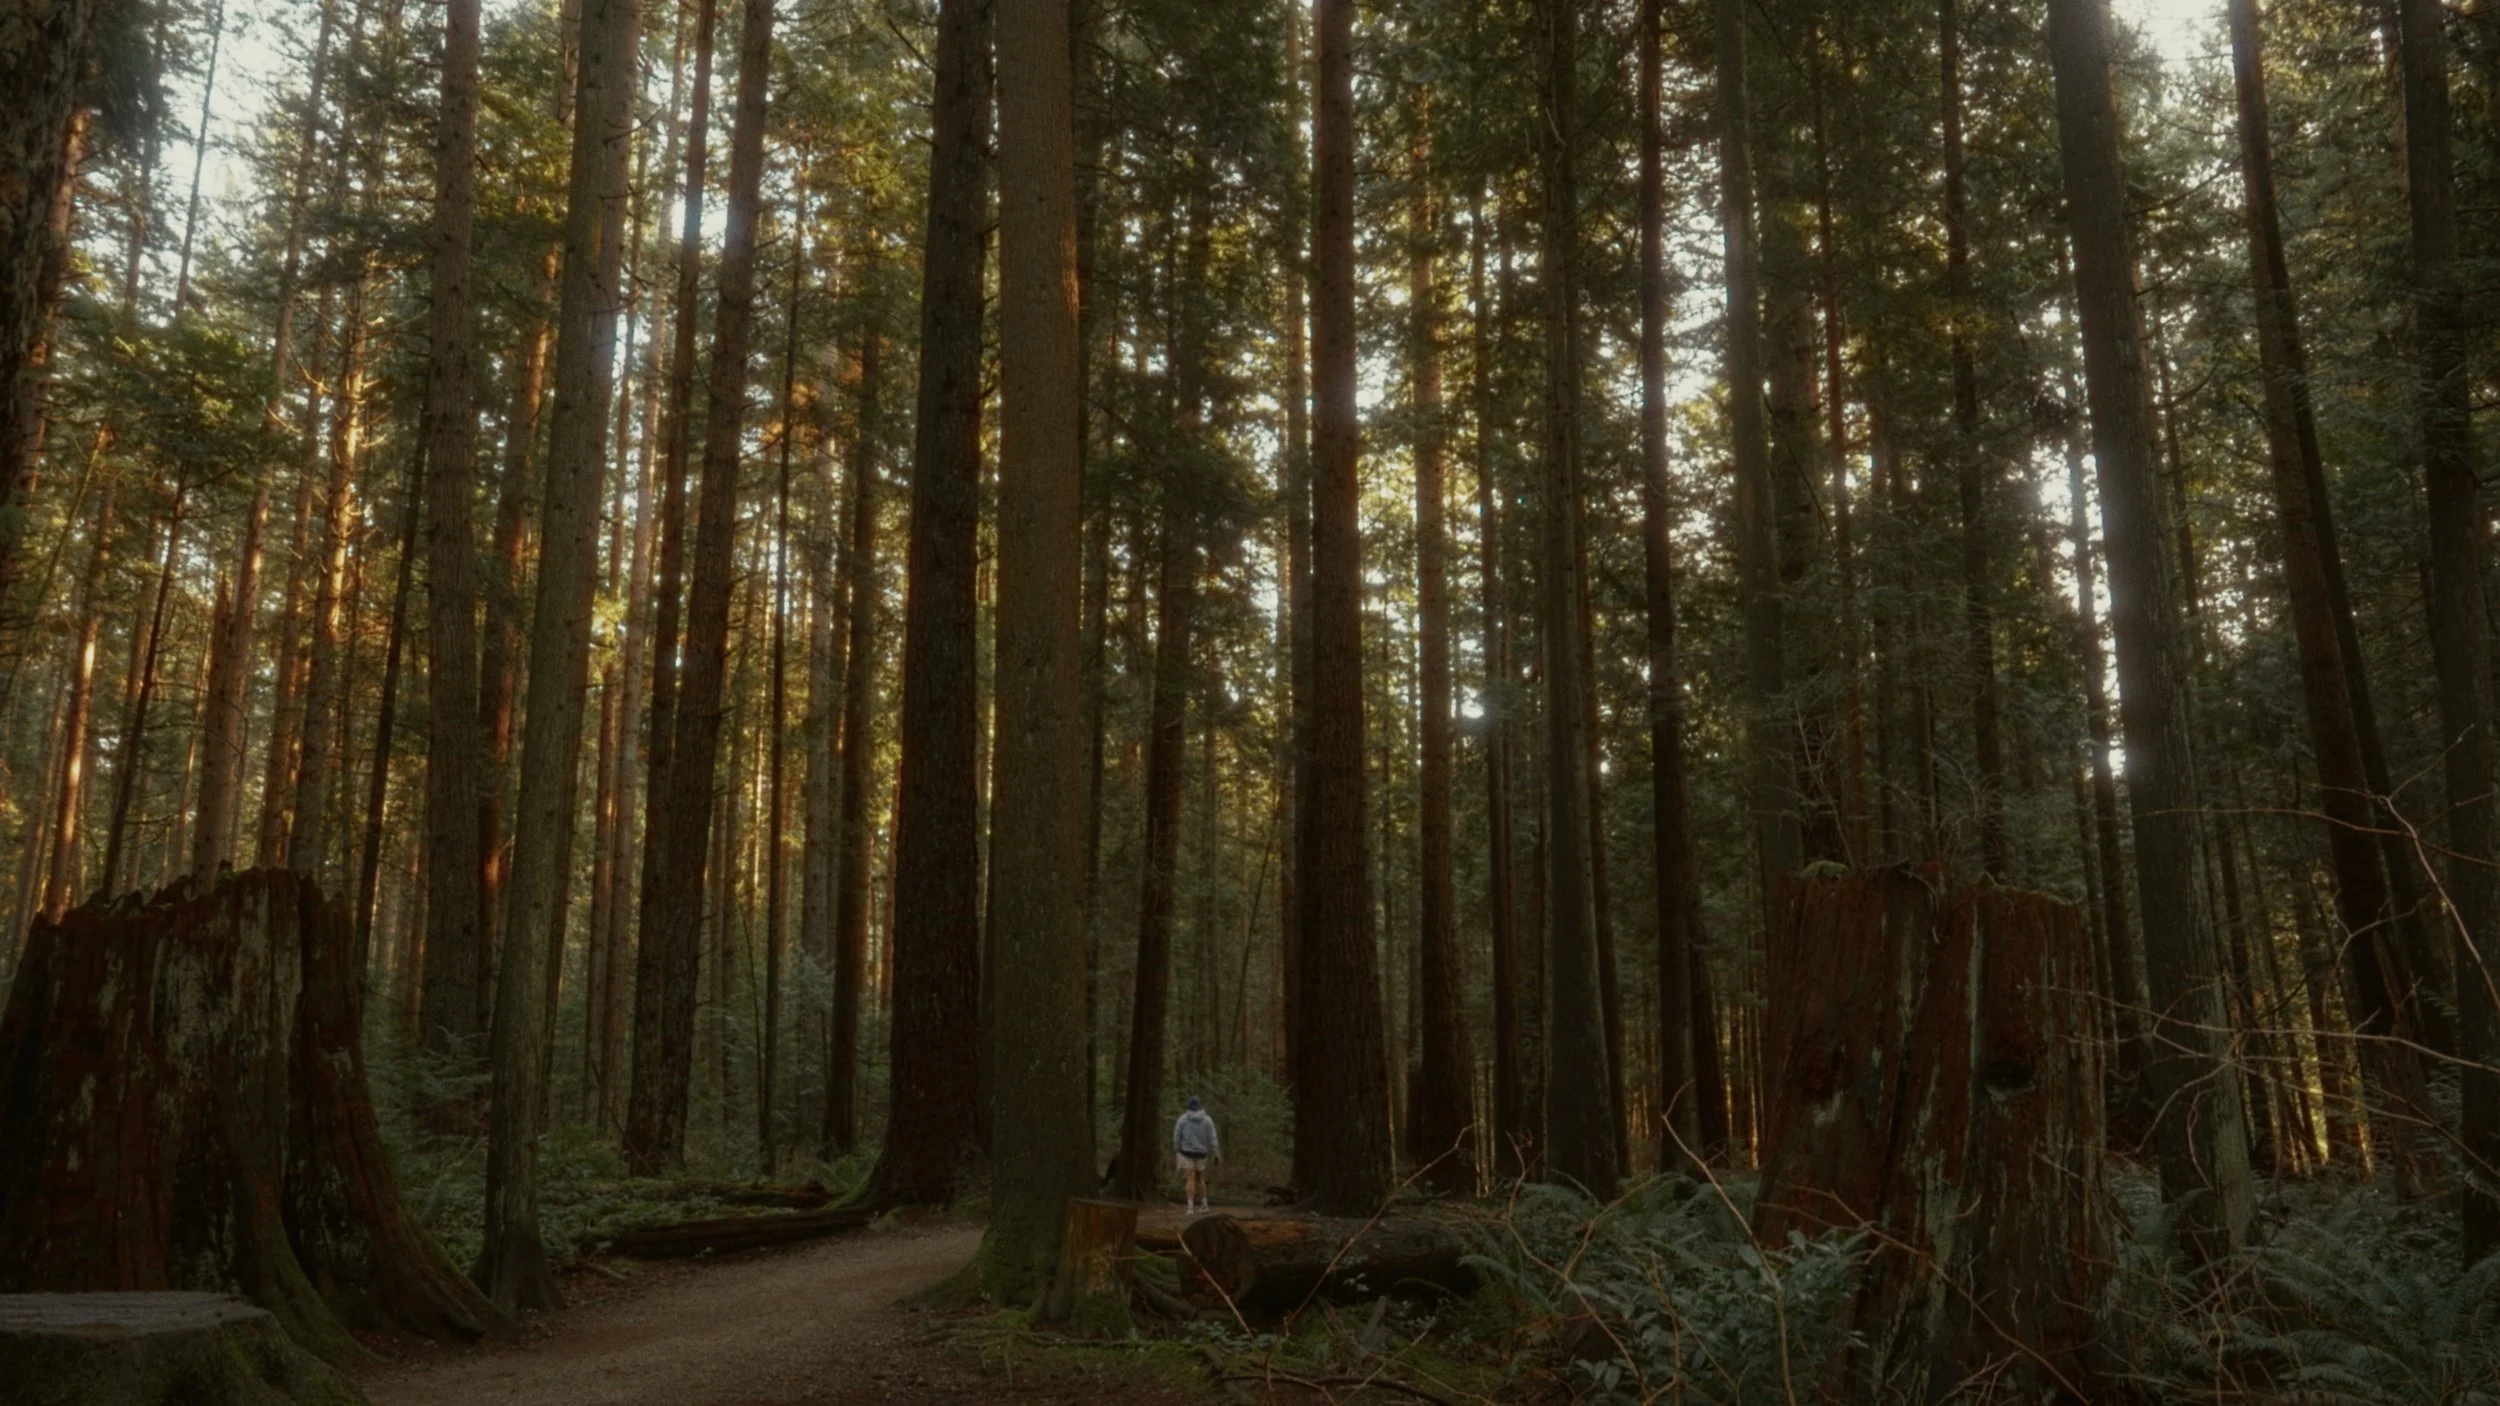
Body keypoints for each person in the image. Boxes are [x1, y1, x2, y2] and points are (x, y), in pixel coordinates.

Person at [1172, 1095, 1220, 1213]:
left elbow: (1177, 1136)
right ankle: (1204, 1205)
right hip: (1201, 1153)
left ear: (1188, 1106)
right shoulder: (1207, 1120)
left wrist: (1176, 1148)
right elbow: (1212, 1138)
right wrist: (1216, 1153)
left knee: (1190, 1178)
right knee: (1200, 1179)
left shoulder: (1183, 1119)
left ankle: (1190, 1207)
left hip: (1186, 1152)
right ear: (1199, 1106)